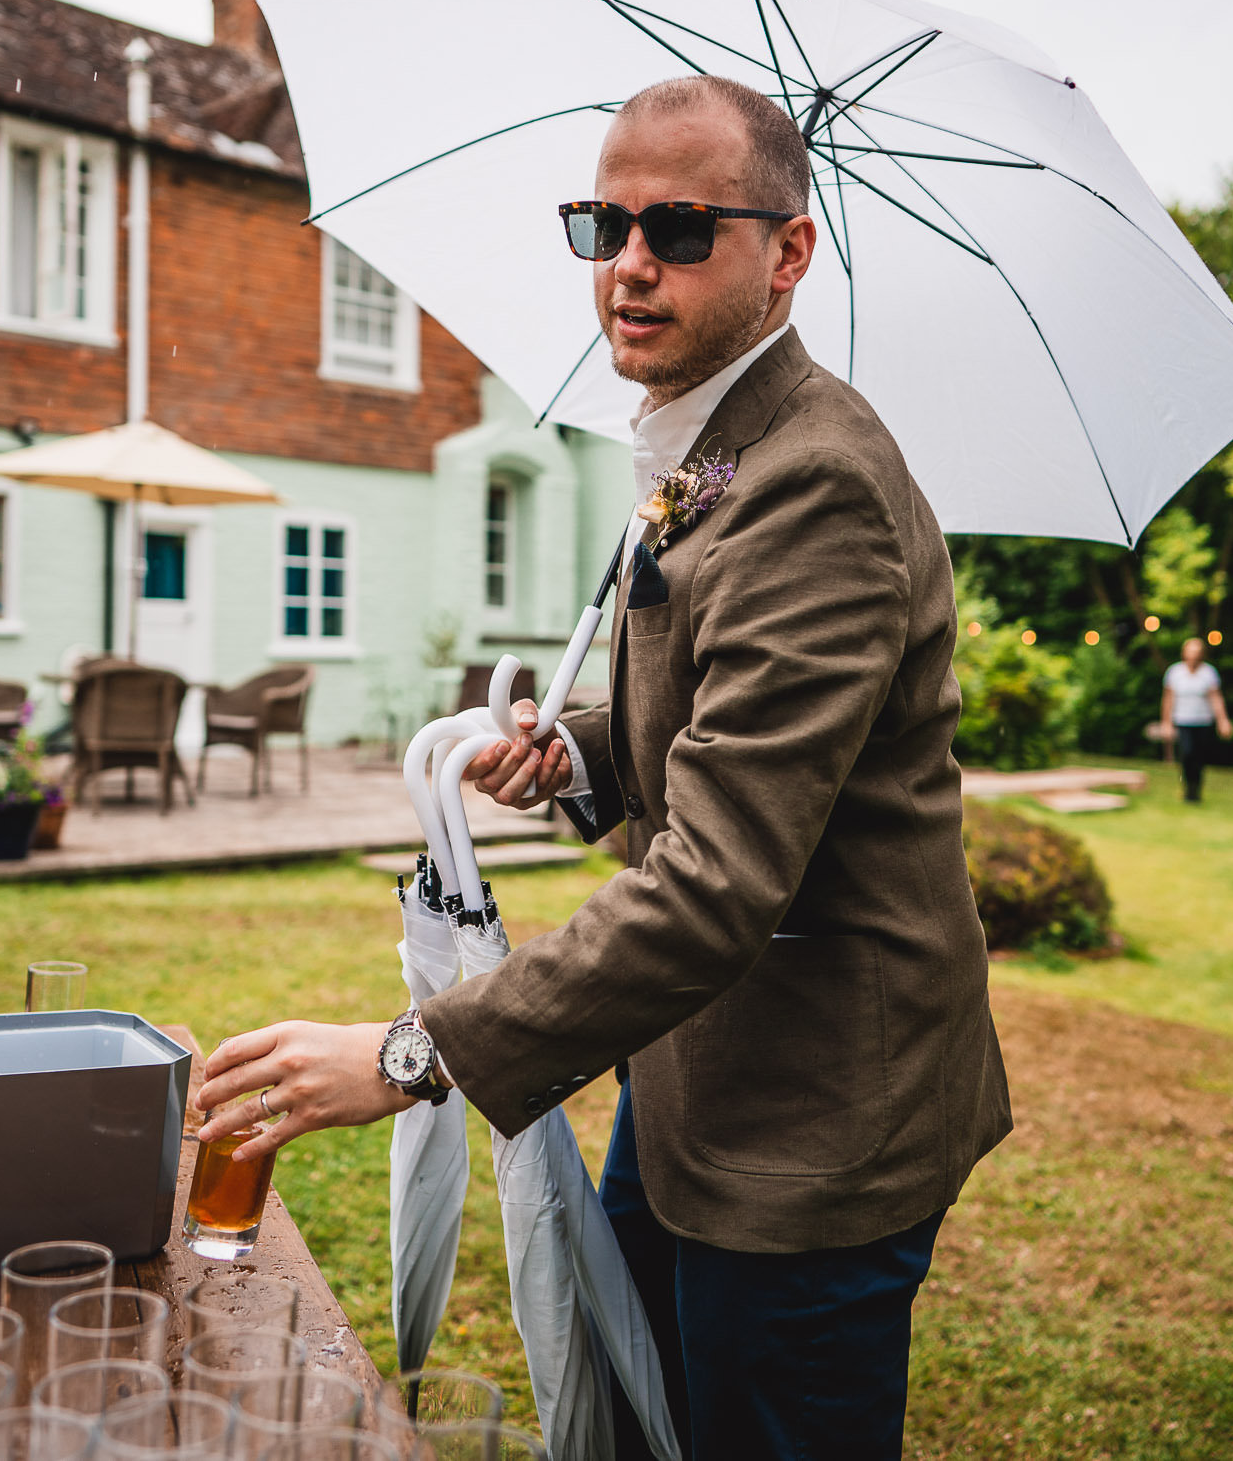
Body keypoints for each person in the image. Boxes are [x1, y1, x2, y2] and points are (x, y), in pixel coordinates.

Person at [192, 75, 1013, 1458]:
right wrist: (571, 758)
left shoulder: (819, 485)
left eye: (682, 227)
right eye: (604, 222)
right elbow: (698, 735)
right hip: (683, 1073)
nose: (631, 263)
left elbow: (717, 879)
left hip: (812, 1118)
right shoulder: (704, 446)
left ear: (788, 253)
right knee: (639, 1421)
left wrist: (407, 1053)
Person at [1161, 636, 1232, 802]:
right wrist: (1166, 722)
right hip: (1183, 720)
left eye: (1196, 652)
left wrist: (1223, 720)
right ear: (1184, 653)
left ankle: (1196, 789)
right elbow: (1168, 699)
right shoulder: (1175, 672)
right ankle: (1187, 787)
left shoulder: (1208, 673)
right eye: (1190, 652)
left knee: (1199, 756)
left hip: (1203, 721)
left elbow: (1216, 698)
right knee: (1187, 753)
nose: (1193, 656)